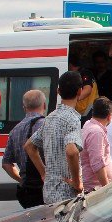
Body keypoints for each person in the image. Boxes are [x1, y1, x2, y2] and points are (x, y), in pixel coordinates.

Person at [25, 71, 86, 203]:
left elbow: (29, 146)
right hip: (67, 196)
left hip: (49, 193)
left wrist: (44, 173)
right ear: (80, 91)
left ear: (58, 91)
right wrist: (77, 182)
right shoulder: (72, 119)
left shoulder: (50, 117)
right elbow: (72, 151)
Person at [2, 89, 47, 208]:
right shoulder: (47, 125)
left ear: (24, 107)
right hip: (46, 187)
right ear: (44, 105)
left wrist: (22, 180)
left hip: (28, 190)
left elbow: (6, 164)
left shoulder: (15, 130)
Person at [81, 98, 112, 191]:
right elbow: (98, 164)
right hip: (96, 189)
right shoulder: (96, 132)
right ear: (110, 116)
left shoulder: (89, 124)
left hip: (95, 187)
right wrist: (107, 189)